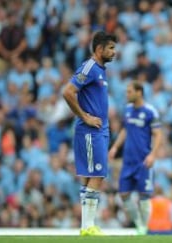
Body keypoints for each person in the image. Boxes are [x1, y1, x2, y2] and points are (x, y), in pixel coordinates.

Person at [62, 31, 117, 236]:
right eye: (110, 48)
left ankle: (86, 227)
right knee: (98, 175)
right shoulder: (90, 67)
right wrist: (85, 116)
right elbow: (67, 91)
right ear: (99, 49)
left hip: (98, 130)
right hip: (90, 130)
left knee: (89, 177)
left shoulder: (101, 70)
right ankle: (88, 226)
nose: (114, 52)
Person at [109, 81, 162, 235]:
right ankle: (139, 223)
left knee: (144, 195)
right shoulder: (127, 110)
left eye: (129, 91)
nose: (127, 94)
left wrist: (153, 155)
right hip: (128, 161)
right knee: (124, 194)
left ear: (139, 92)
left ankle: (143, 228)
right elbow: (125, 130)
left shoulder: (150, 111)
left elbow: (158, 135)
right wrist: (115, 147)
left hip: (143, 161)